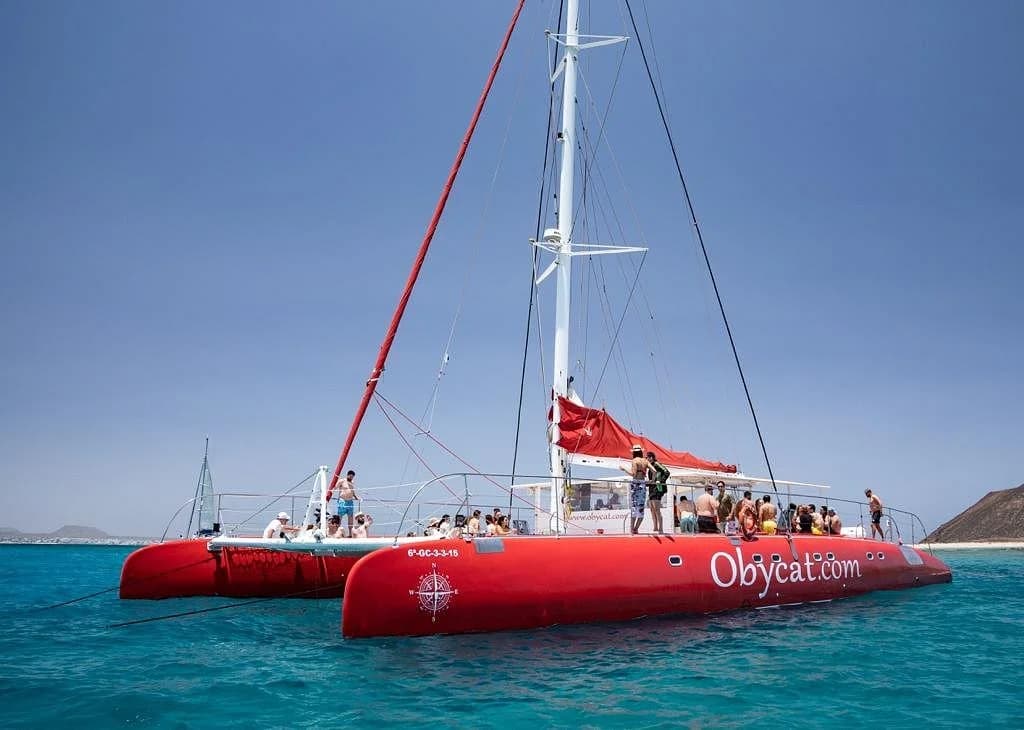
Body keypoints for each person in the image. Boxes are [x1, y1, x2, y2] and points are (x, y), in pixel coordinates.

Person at [618, 445, 649, 534]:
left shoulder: (634, 461)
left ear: (634, 453)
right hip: (642, 484)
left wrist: (624, 469)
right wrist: (653, 480)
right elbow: (654, 471)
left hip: (636, 484)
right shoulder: (645, 461)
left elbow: (633, 474)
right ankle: (636, 528)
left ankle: (632, 529)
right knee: (641, 509)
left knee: (634, 509)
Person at [646, 451, 670, 534]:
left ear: (651, 457)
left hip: (658, 489)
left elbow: (667, 472)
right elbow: (652, 478)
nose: (646, 459)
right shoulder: (650, 467)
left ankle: (661, 528)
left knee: (657, 509)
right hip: (652, 489)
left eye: (647, 457)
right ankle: (655, 527)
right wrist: (648, 483)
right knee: (652, 509)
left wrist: (660, 480)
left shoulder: (656, 464)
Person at [336, 470, 359, 537]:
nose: (351, 478)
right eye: (350, 476)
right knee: (340, 517)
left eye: (352, 477)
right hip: (342, 501)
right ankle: (337, 533)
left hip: (350, 501)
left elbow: (352, 491)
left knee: (351, 517)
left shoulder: (352, 482)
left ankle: (350, 534)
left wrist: (356, 497)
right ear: (347, 475)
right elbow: (335, 487)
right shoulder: (342, 481)